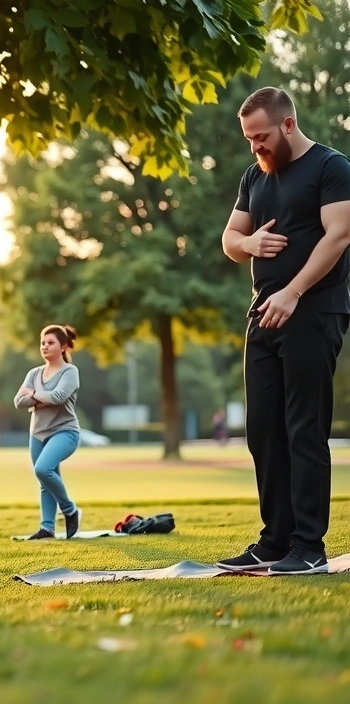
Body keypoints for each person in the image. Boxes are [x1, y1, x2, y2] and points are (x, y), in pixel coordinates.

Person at [218, 87, 350, 575]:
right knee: (263, 431)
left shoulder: (331, 168)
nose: (255, 146)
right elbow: (230, 240)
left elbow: (339, 235)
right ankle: (275, 541)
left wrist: (292, 292)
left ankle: (309, 546)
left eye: (261, 137)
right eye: (249, 139)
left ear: (288, 125)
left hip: (314, 311)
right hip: (263, 314)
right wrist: (248, 241)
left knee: (303, 431)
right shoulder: (254, 175)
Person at [13, 325, 83, 540]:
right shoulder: (34, 373)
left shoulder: (70, 371)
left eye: (50, 342)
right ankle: (47, 527)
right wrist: (43, 397)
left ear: (63, 347)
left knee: (43, 469)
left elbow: (59, 396)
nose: (45, 346)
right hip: (38, 433)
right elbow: (18, 401)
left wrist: (33, 395)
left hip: (65, 431)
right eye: (42, 342)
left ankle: (70, 511)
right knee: (45, 480)